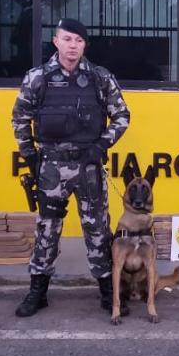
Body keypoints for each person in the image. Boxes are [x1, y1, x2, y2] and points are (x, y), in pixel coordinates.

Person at [11, 18, 130, 318]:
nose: (73, 46)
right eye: (67, 39)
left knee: (98, 229)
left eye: (78, 40)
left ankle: (108, 292)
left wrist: (100, 146)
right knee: (47, 229)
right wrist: (30, 156)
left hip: (89, 165)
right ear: (56, 41)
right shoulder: (37, 77)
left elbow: (122, 116)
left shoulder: (100, 78)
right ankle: (37, 292)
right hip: (51, 167)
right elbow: (20, 118)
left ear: (85, 44)